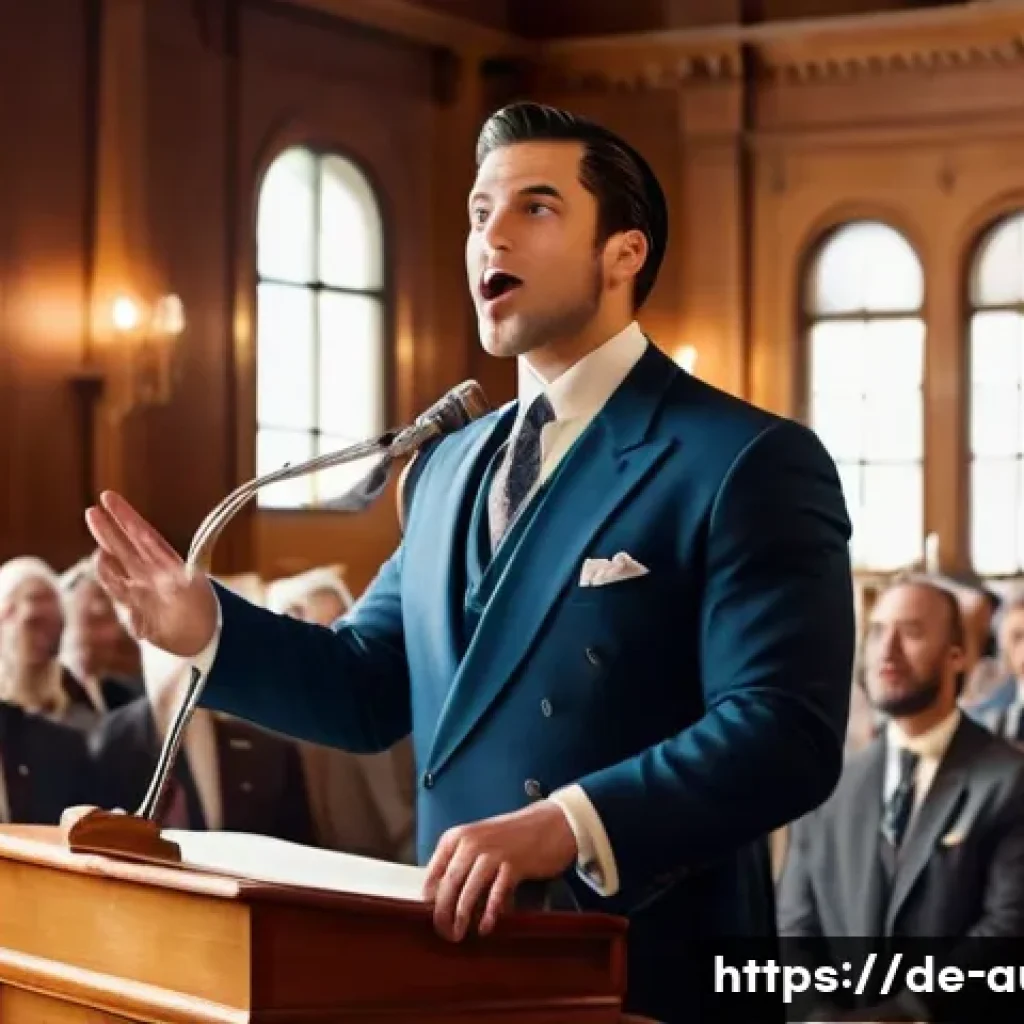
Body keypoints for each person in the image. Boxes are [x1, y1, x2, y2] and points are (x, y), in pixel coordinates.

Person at [84, 102, 855, 1022]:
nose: (490, 231)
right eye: (478, 210)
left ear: (625, 253)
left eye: (536, 206)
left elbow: (784, 735)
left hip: (641, 969)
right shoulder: (449, 464)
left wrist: (563, 825)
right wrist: (208, 629)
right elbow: (369, 686)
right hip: (456, 964)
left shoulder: (741, 457)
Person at [778, 576, 1024, 1022]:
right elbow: (795, 925)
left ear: (958, 655)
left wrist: (906, 1013)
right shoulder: (831, 783)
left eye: (910, 633)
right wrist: (817, 1015)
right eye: (876, 631)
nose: (885, 651)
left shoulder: (1010, 779)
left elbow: (1008, 926)